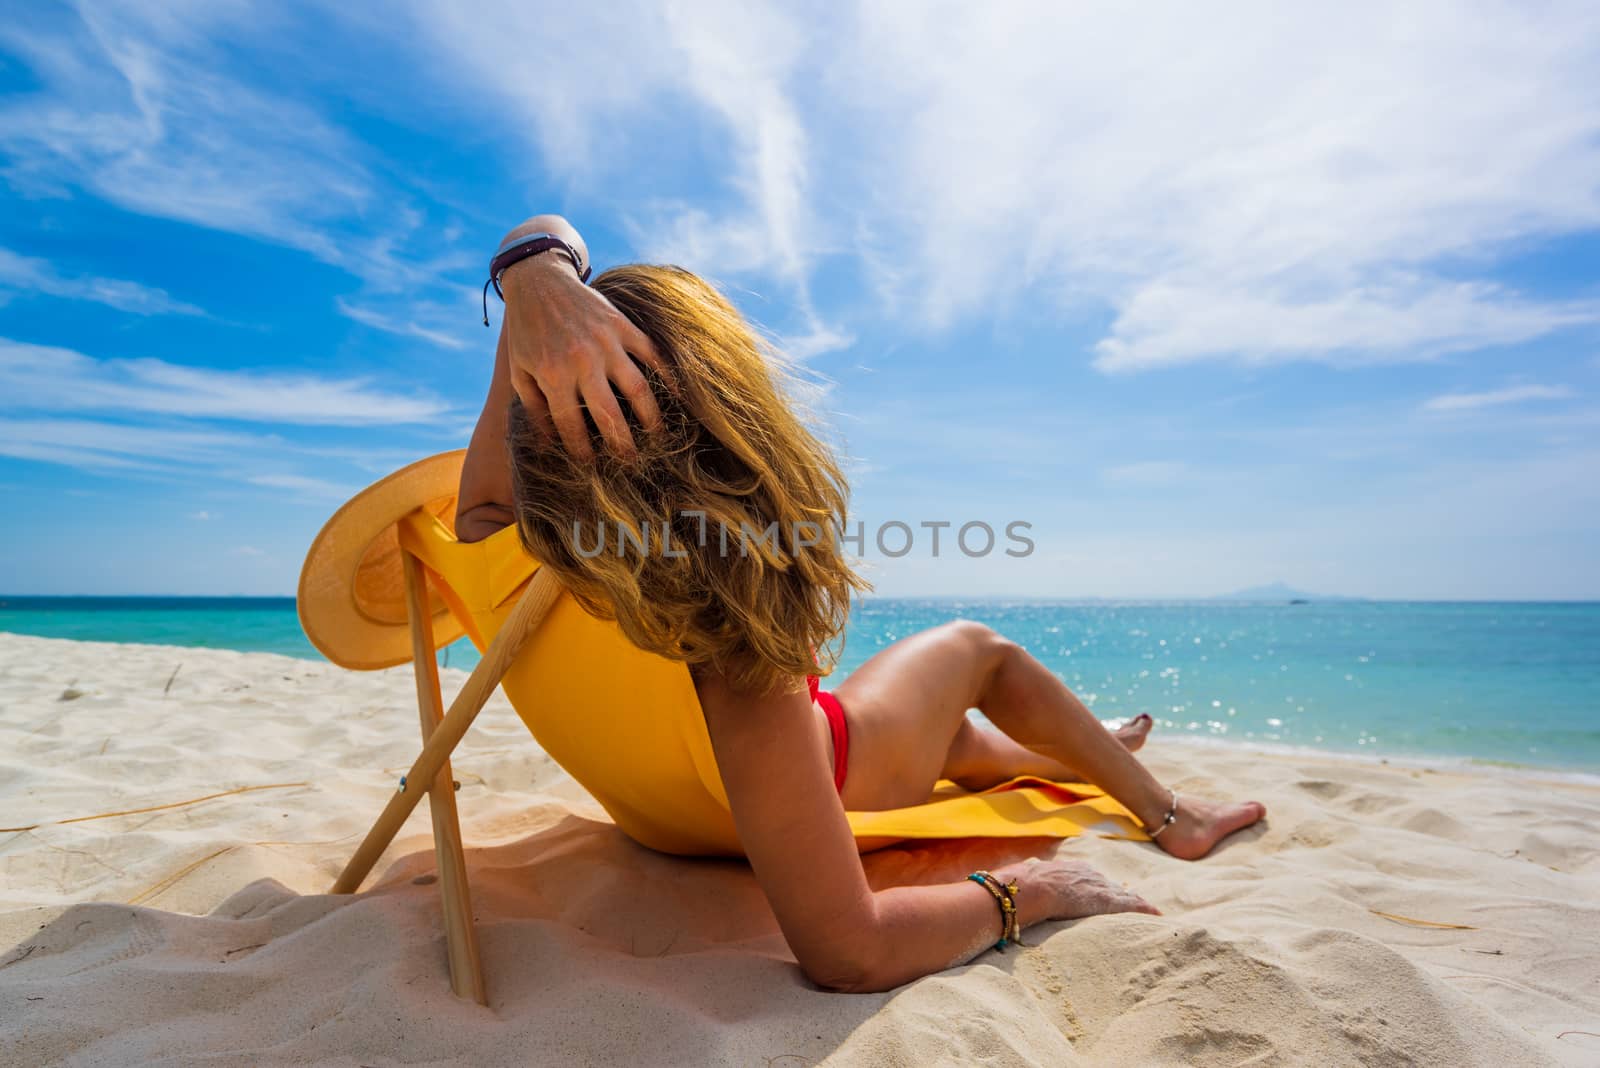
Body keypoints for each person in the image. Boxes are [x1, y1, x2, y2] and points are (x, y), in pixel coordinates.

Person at [455, 214, 1266, 994]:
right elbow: (850, 953)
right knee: (975, 649)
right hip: (837, 771)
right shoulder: (734, 652)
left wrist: (528, 287)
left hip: (674, 817)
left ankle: (1064, 751)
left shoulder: (507, 552)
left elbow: (495, 491)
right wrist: (1032, 892)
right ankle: (1169, 816)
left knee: (949, 739)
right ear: (737, 416)